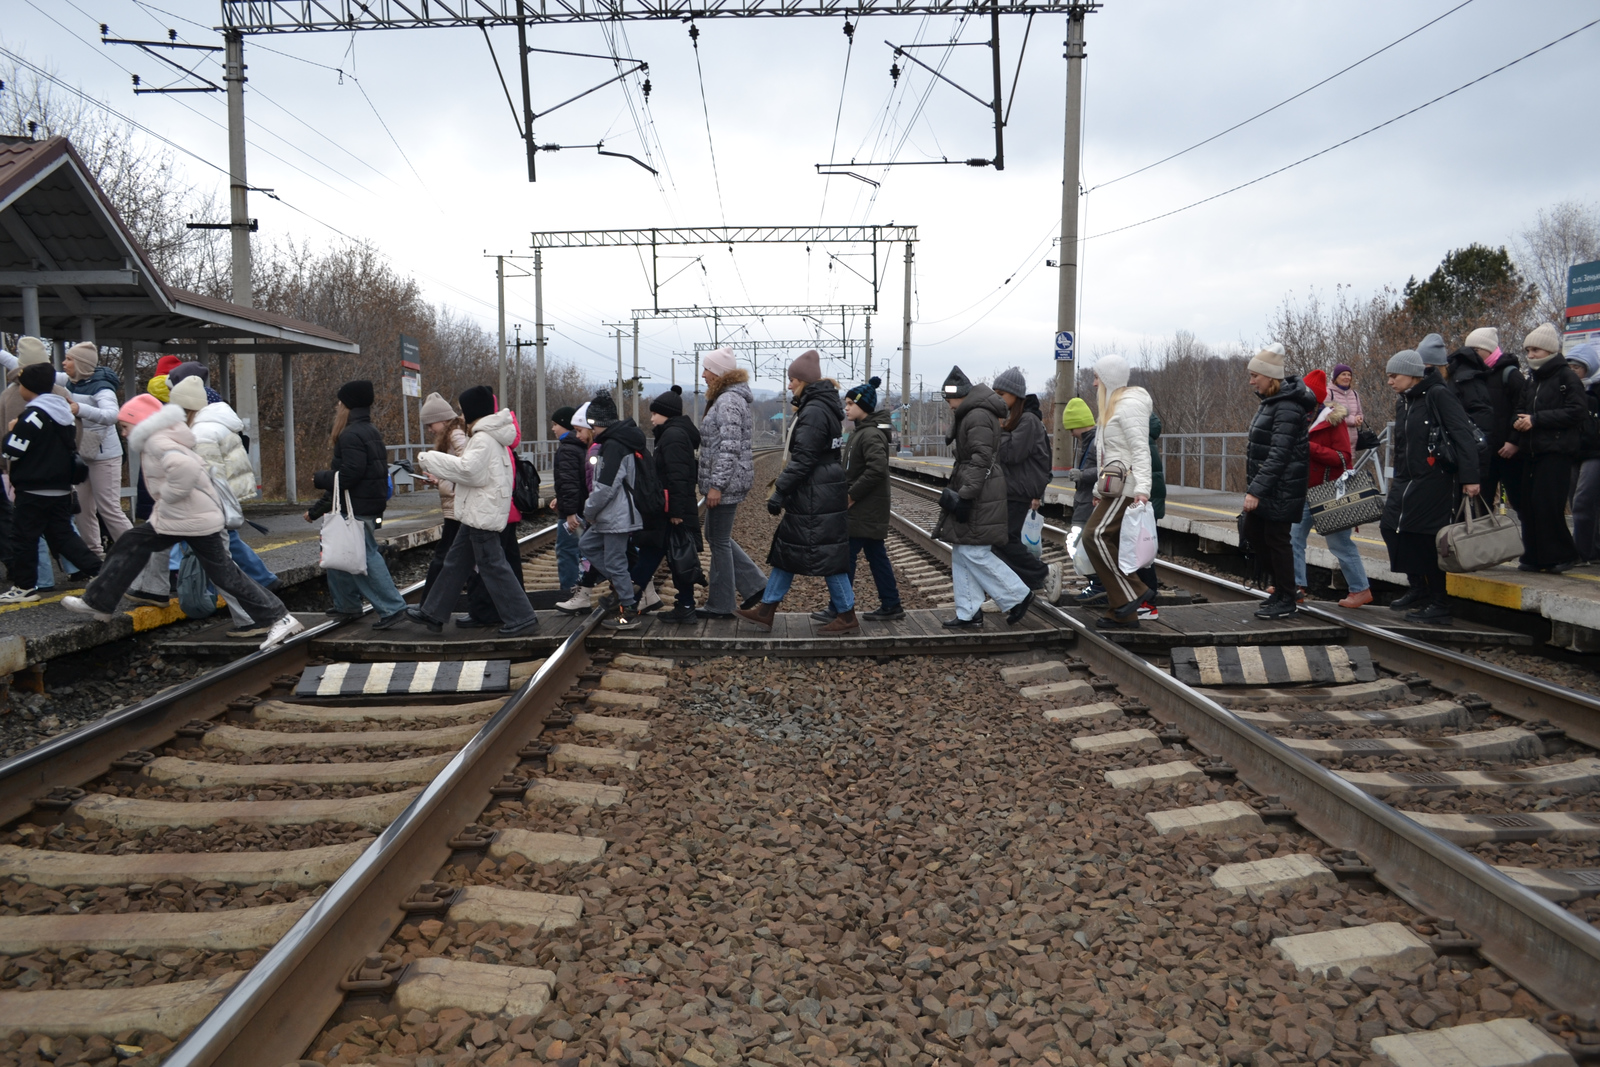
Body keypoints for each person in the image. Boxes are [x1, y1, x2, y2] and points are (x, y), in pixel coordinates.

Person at [62, 394, 301, 649]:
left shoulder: (157, 442)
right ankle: (279, 616)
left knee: (134, 544)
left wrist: (168, 496)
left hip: (188, 517)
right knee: (221, 571)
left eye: (125, 425)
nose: (122, 432)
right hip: (192, 517)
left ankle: (98, 600)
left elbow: (185, 469)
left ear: (140, 421)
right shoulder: (162, 438)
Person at [400, 386, 539, 637]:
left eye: (464, 409)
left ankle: (522, 617)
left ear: (473, 409)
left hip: (482, 512)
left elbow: (469, 471)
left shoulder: (483, 438)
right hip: (478, 510)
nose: (462, 414)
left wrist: (430, 459)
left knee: (493, 566)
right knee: (455, 562)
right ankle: (433, 611)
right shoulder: (488, 435)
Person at [735, 351, 856, 634]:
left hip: (816, 490)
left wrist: (780, 491)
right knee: (787, 550)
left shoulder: (813, 411)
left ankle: (847, 614)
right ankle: (766, 609)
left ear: (803, 381)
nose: (789, 385)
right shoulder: (821, 406)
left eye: (792, 379)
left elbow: (804, 458)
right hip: (818, 488)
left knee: (828, 556)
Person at [168, 375, 278, 637]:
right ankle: (257, 613)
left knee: (223, 568)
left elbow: (205, 477)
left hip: (210, 509)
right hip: (216, 507)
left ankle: (255, 618)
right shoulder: (215, 424)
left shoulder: (200, 433)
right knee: (224, 565)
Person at [1380, 348, 1481, 623]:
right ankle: (1418, 589)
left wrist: (1471, 478)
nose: (1389, 381)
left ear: (1412, 375)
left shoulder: (1438, 394)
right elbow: (1402, 442)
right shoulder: (1404, 401)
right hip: (1407, 477)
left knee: (1426, 538)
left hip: (1435, 477)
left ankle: (1439, 602)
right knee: (1390, 527)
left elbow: (1463, 434)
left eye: (1394, 376)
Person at [931, 366, 1035, 629]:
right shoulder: (974, 413)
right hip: (977, 486)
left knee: (974, 551)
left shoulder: (976, 415)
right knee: (962, 549)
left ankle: (1017, 595)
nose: (947, 404)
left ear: (960, 395)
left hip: (980, 491)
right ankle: (969, 611)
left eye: (949, 399)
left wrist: (965, 495)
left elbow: (981, 459)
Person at [305, 381, 408, 627]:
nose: (337, 405)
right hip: (364, 503)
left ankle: (392, 608)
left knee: (364, 557)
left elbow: (351, 473)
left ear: (348, 404)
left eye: (340, 401)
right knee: (339, 552)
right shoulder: (368, 430)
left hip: (357, 506)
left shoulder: (351, 434)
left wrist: (320, 478)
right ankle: (347, 606)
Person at [0, 363, 102, 603]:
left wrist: (11, 430)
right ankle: (101, 571)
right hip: (60, 487)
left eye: (22, 385)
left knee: (23, 537)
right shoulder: (63, 413)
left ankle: (24, 586)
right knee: (63, 535)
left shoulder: (33, 415)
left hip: (33, 488)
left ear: (30, 388)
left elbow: (12, 451)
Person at [814, 377, 903, 623]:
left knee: (846, 557)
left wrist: (852, 495)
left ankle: (839, 607)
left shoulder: (870, 435)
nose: (847, 408)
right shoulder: (860, 433)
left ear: (864, 406)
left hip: (864, 507)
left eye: (851, 403)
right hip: (867, 508)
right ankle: (891, 604)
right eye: (847, 403)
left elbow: (877, 470)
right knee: (875, 555)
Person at [1079, 355, 1155, 628]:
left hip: (1128, 487)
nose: (1093, 382)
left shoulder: (1129, 405)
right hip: (1114, 487)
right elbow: (1108, 453)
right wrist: (1100, 488)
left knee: (1094, 535)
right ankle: (1124, 612)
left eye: (1097, 376)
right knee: (1113, 544)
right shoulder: (1112, 407)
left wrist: (1143, 489)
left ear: (1108, 379)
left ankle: (1134, 592)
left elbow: (1140, 450)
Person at [1241, 343, 1314, 620]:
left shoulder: (1286, 407)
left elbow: (1279, 454)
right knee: (1255, 534)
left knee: (1276, 539)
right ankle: (1283, 591)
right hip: (1271, 487)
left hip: (1281, 488)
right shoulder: (1272, 403)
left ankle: (1287, 595)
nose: (1251, 381)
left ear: (1269, 377)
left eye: (1255, 376)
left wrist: (1256, 490)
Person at [1290, 369, 1371, 609]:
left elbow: (1344, 458)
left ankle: (1360, 589)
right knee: (1293, 538)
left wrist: (1309, 448)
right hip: (1305, 491)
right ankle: (1295, 586)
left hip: (1330, 493)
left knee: (1340, 545)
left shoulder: (1333, 422)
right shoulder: (1300, 419)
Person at [696, 347, 766, 618]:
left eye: (707, 369)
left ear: (720, 373)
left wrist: (717, 485)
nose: (703, 374)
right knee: (714, 536)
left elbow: (730, 447)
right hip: (727, 480)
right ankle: (755, 586)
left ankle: (722, 604)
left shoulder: (727, 401)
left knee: (719, 540)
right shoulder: (729, 398)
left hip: (726, 482)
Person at [1512, 323, 1586, 573]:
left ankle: (1562, 554)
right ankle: (1534, 556)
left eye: (1536, 350)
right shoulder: (1532, 379)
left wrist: (1536, 420)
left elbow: (1577, 412)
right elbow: (1521, 407)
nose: (1531, 355)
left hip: (1556, 451)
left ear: (1550, 351)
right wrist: (1519, 422)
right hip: (1532, 451)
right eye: (1528, 351)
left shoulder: (1566, 377)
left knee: (1548, 506)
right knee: (1529, 505)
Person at [629, 386, 702, 624]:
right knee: (673, 555)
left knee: (672, 555)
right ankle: (683, 605)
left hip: (673, 509)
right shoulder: (675, 434)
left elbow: (678, 476)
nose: (651, 418)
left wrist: (675, 512)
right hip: (672, 507)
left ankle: (627, 602)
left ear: (666, 414)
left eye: (655, 413)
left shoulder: (673, 436)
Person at [991, 368, 1062, 603]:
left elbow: (1012, 453)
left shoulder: (1028, 420)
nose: (998, 398)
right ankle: (1014, 590)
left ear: (1015, 395)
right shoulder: (1016, 419)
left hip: (1018, 490)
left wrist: (997, 431)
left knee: (1003, 540)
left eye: (1001, 394)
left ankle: (1042, 574)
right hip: (1011, 488)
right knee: (1000, 541)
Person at [580, 390, 649, 629]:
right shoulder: (616, 443)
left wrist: (588, 511)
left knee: (615, 560)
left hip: (616, 516)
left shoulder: (613, 446)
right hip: (611, 515)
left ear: (600, 423)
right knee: (587, 544)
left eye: (592, 424)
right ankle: (626, 586)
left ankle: (628, 612)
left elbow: (605, 488)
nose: (591, 430)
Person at [63, 342, 130, 556]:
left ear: (81, 364)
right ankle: (95, 557)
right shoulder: (69, 381)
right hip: (82, 455)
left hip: (105, 457)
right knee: (82, 509)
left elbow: (112, 415)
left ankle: (137, 554)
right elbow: (35, 372)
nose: (64, 363)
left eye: (69, 359)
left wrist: (79, 408)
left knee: (109, 509)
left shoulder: (102, 387)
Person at [415, 391, 468, 601]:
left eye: (431, 424)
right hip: (454, 504)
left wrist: (445, 482)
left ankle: (429, 604)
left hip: (457, 505)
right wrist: (437, 479)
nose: (430, 430)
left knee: (444, 556)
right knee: (452, 557)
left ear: (442, 419)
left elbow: (466, 468)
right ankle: (431, 605)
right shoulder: (452, 434)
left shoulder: (455, 434)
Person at [1471, 328, 1528, 518]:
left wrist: (1514, 441)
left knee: (1521, 501)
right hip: (1486, 451)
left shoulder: (1511, 375)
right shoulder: (1476, 375)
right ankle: (1485, 545)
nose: (1472, 354)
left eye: (1476, 349)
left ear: (1488, 349)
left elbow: (1523, 409)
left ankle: (1529, 544)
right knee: (1481, 504)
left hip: (1509, 452)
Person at [1443, 336, 1496, 499]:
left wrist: (1472, 476)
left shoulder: (1461, 378)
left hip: (1463, 459)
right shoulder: (1469, 377)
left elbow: (1472, 428)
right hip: (1469, 459)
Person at [1060, 396, 1101, 604]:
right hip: (1084, 502)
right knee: (1080, 544)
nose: (1071, 434)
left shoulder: (1094, 443)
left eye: (1071, 429)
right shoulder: (1089, 442)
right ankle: (1096, 584)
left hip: (1089, 504)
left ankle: (1098, 584)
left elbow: (1106, 469)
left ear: (1078, 426)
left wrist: (1082, 475)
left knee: (1079, 545)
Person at [549, 405, 586, 597]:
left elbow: (570, 482)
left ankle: (570, 594)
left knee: (567, 551)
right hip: (581, 508)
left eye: (555, 424)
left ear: (565, 425)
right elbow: (576, 481)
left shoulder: (567, 449)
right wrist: (560, 498)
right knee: (584, 551)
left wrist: (570, 512)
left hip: (573, 514)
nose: (553, 429)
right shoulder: (580, 446)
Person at [1569, 343, 1600, 564]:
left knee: (1583, 500)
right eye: (1568, 365)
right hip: (1571, 452)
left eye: (1577, 367)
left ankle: (1581, 552)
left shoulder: (1595, 393)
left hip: (1594, 452)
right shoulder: (1565, 391)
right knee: (1575, 501)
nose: (1572, 370)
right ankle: (1591, 550)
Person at [1136, 411, 1167, 620]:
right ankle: (1144, 601)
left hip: (1143, 504)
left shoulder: (1141, 442)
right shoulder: (1147, 439)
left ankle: (1147, 603)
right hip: (1148, 504)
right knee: (1142, 553)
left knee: (1142, 555)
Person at [1328, 363, 1363, 453]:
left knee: (1350, 466)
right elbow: (1329, 414)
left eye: (1349, 375)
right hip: (1334, 440)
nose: (1347, 377)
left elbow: (1359, 412)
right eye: (1343, 374)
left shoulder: (1354, 394)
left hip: (1352, 442)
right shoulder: (1328, 393)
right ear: (1336, 377)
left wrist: (1359, 419)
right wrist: (1352, 420)